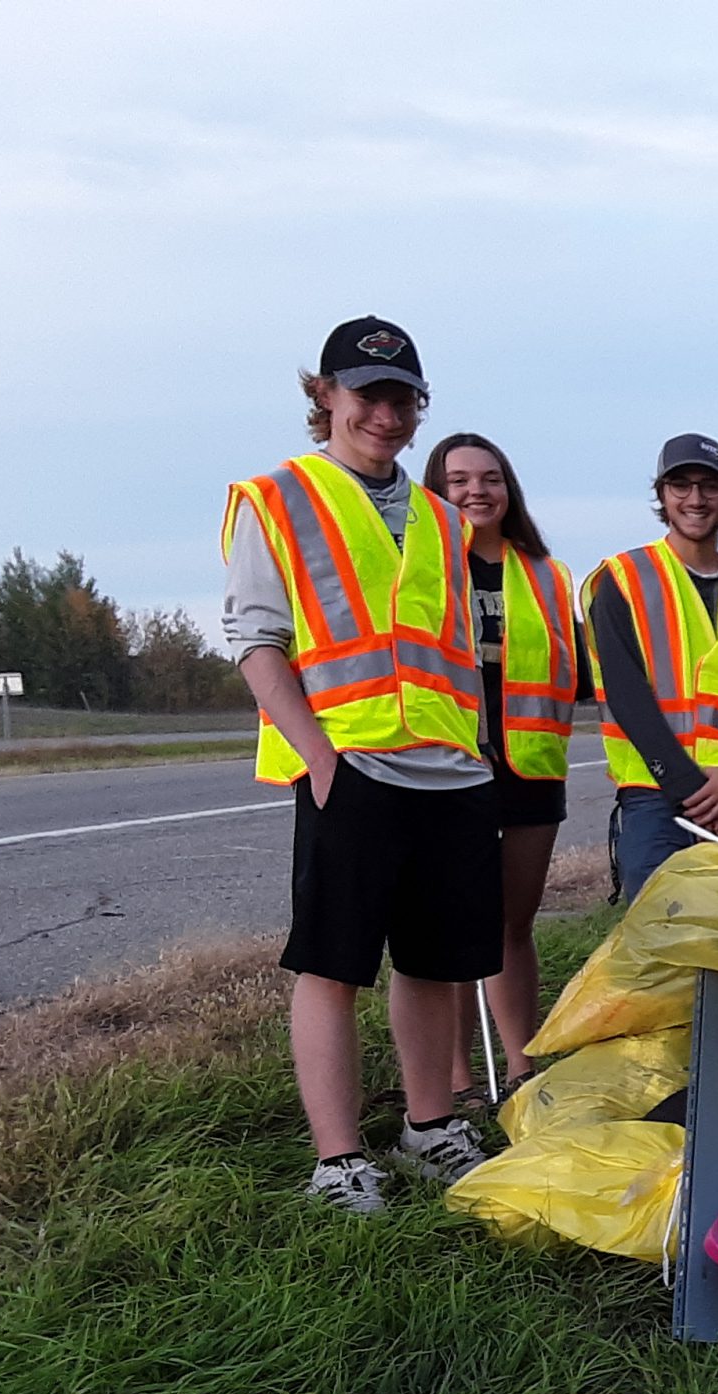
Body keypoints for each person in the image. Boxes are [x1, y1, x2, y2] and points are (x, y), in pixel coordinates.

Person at [222, 316, 497, 1214]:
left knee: (433, 963)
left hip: (448, 772)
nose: (385, 413)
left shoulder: (446, 523)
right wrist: (319, 759)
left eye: (402, 397)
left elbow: (449, 649)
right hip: (353, 770)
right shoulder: (279, 498)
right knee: (334, 966)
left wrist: (474, 754)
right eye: (366, 394)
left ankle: (427, 1129)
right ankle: (338, 1162)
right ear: (325, 397)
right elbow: (257, 643)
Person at [424, 432, 586, 1096]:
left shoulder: (546, 574)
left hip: (531, 767)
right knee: (454, 926)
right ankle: (457, 1077)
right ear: (436, 490)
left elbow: (572, 672)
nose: (476, 491)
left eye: (490, 479)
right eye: (459, 480)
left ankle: (522, 1065)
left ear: (508, 489)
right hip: (452, 764)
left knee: (512, 925)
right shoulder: (423, 566)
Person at [586, 434, 718, 901]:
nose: (695, 499)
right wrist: (688, 790)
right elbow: (626, 694)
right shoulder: (623, 579)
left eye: (709, 486)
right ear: (661, 495)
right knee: (658, 948)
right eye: (681, 485)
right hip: (656, 797)